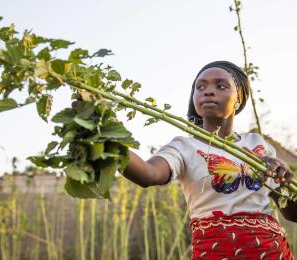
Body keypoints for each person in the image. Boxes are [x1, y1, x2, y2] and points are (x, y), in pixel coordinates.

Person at [123, 61, 297, 259]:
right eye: (201, 87)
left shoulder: (257, 144)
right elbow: (148, 174)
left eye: (221, 86)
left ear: (238, 99)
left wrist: (286, 184)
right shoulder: (184, 147)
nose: (208, 91)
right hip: (214, 252)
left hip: (272, 252)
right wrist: (107, 137)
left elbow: (292, 214)